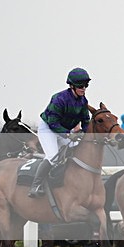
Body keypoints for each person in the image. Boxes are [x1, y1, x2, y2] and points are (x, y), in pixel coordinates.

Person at [29, 68, 92, 197]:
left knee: (73, 150)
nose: (83, 88)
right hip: (48, 128)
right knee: (53, 156)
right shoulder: (59, 99)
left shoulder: (83, 101)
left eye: (86, 85)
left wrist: (86, 135)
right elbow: (53, 123)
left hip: (64, 130)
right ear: (72, 85)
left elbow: (86, 121)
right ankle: (35, 185)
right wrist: (69, 134)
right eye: (80, 85)